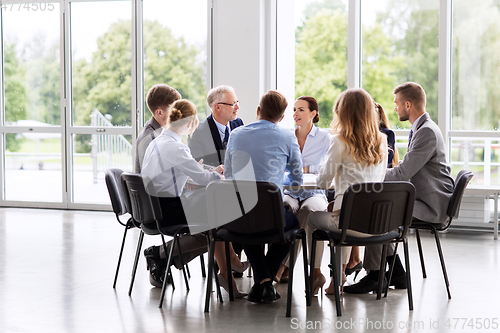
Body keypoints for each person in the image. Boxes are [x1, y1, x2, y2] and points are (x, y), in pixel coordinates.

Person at [344, 82, 454, 294]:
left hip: (432, 206)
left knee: (377, 211)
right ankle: (397, 274)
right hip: (424, 198)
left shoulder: (427, 132)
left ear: (408, 104)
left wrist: (369, 176)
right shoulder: (423, 128)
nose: (394, 108)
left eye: (396, 104)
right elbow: (405, 171)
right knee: (381, 206)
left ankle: (376, 276)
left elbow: (403, 173)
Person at [141, 99, 248, 296]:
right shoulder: (177, 147)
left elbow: (181, 171)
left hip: (152, 206)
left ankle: (227, 266)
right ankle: (162, 254)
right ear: (189, 123)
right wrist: (218, 174)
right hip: (168, 209)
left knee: (215, 220)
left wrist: (205, 170)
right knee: (218, 223)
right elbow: (204, 179)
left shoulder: (157, 142)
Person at [307, 88, 388, 296]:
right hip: (376, 223)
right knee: (340, 214)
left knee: (312, 218)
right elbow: (377, 180)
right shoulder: (382, 139)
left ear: (342, 112)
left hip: (347, 223)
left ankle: (316, 273)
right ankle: (338, 277)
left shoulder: (340, 140)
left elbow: (323, 182)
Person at [224, 90, 303, 303]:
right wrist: (279, 179)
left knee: (248, 224)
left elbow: (229, 177)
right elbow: (297, 177)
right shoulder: (287, 135)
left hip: (239, 214)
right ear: (283, 117)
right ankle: (266, 280)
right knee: (294, 224)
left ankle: (263, 280)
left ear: (258, 111)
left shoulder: (236, 134)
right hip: (272, 215)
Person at [275, 96, 330, 284]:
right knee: (283, 207)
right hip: (290, 191)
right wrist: (305, 168)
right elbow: (279, 165)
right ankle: (284, 265)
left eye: (301, 109)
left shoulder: (324, 137)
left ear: (313, 113)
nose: (295, 114)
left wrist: (301, 169)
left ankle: (282, 265)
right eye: (294, 109)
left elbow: (326, 169)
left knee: (309, 211)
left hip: (314, 192)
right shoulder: (288, 136)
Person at [344, 101, 400, 281]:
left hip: (382, 188)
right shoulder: (358, 136)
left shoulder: (384, 135)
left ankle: (367, 270)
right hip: (374, 188)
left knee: (354, 208)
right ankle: (396, 273)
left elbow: (381, 167)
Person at [189, 85, 244, 166]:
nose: (237, 107)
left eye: (237, 102)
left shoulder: (238, 123)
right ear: (218, 107)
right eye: (233, 104)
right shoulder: (197, 132)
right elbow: (199, 165)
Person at [135, 84, 181, 173]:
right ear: (159, 112)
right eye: (173, 109)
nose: (178, 113)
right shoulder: (151, 138)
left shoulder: (159, 132)